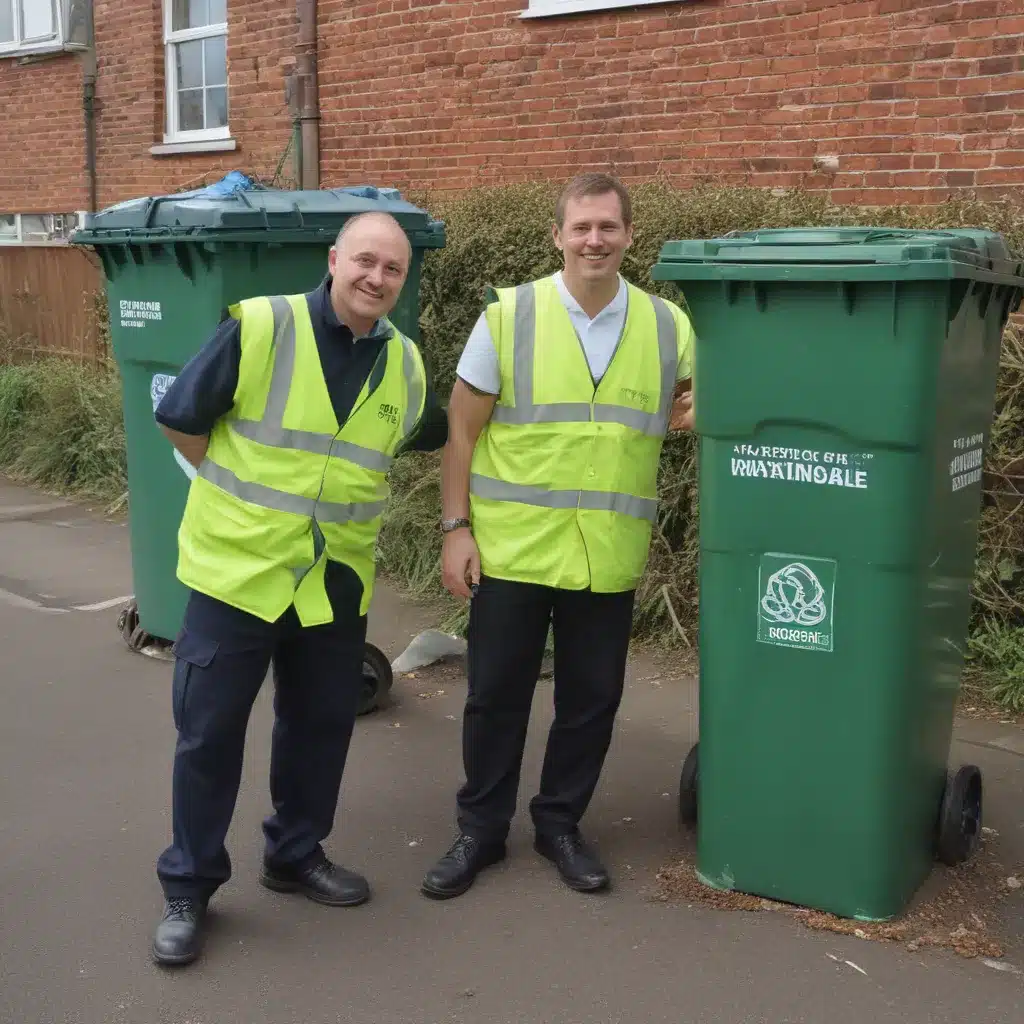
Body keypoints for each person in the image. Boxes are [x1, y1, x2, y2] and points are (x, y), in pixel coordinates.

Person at [150, 211, 447, 966]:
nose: (376, 279)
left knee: (320, 729)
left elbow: (438, 431)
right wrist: (226, 491)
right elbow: (181, 418)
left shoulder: (405, 365)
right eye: (366, 262)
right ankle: (189, 887)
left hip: (333, 584)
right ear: (334, 258)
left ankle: (294, 854)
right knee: (210, 737)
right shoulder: (261, 328)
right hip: (236, 576)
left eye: (393, 270)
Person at [421, 172, 695, 900]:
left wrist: (704, 406)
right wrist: (456, 530)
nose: (594, 240)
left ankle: (559, 825)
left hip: (607, 554)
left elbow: (705, 397)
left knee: (592, 699)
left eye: (608, 227)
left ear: (630, 235)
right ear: (558, 236)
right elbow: (460, 429)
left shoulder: (670, 326)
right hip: (512, 548)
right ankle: (479, 832)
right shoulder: (509, 316)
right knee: (495, 696)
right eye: (581, 228)